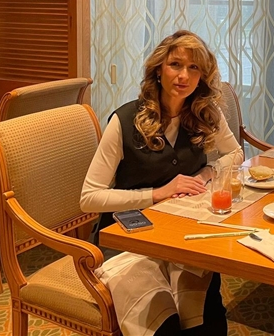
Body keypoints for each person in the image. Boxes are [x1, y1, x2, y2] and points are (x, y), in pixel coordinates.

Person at [81, 30, 243, 336]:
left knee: (208, 313)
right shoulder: (124, 120)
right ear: (158, 69)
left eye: (193, 68)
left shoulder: (204, 113)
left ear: (202, 77)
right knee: (163, 324)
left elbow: (235, 153)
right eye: (175, 65)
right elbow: (89, 197)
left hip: (179, 236)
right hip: (127, 240)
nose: (184, 76)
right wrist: (157, 193)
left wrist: (206, 173)